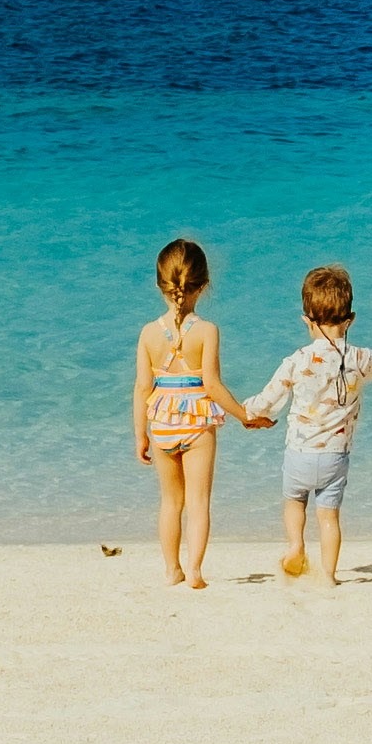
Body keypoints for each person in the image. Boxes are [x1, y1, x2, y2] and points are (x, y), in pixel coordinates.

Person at [237, 267, 372, 587]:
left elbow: (267, 400)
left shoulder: (297, 360)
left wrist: (245, 412)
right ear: (350, 320)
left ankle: (296, 545)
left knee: (294, 501)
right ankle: (328, 575)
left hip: (298, 454)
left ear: (306, 320)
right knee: (329, 518)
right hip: (335, 458)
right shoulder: (359, 358)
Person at [128, 236, 231, 588]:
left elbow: (142, 387)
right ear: (203, 285)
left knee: (171, 502)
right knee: (199, 502)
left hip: (161, 425)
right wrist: (243, 414)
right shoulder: (207, 331)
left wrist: (140, 434)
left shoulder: (148, 333)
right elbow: (213, 385)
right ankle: (196, 570)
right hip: (197, 425)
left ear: (161, 285)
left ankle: (172, 569)